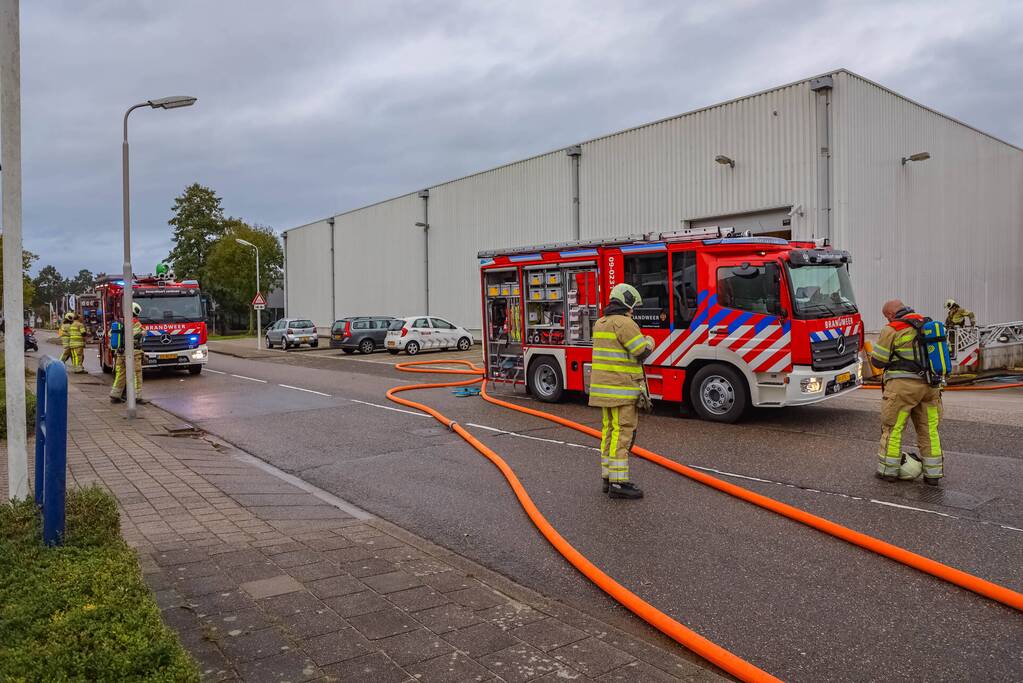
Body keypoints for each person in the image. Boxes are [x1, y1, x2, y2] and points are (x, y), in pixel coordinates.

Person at [588, 283, 655, 499]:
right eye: (633, 305)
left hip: (604, 391)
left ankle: (608, 478)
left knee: (609, 432)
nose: (633, 310)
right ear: (626, 302)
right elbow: (640, 351)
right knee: (623, 433)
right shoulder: (625, 323)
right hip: (621, 390)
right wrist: (650, 341)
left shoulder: (601, 322)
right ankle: (619, 483)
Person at [869, 299, 943, 486]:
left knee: (893, 428)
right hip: (931, 386)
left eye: (886, 317)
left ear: (891, 315)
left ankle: (888, 471)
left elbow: (878, 361)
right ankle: (933, 474)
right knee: (929, 430)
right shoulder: (929, 325)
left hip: (903, 388)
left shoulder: (892, 329)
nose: (887, 320)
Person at [110, 302, 146, 405]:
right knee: (136, 374)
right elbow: (139, 334)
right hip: (133, 353)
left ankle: (115, 394)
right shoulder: (135, 322)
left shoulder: (120, 322)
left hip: (120, 353)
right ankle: (137, 397)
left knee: (120, 374)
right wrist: (143, 332)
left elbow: (110, 334)